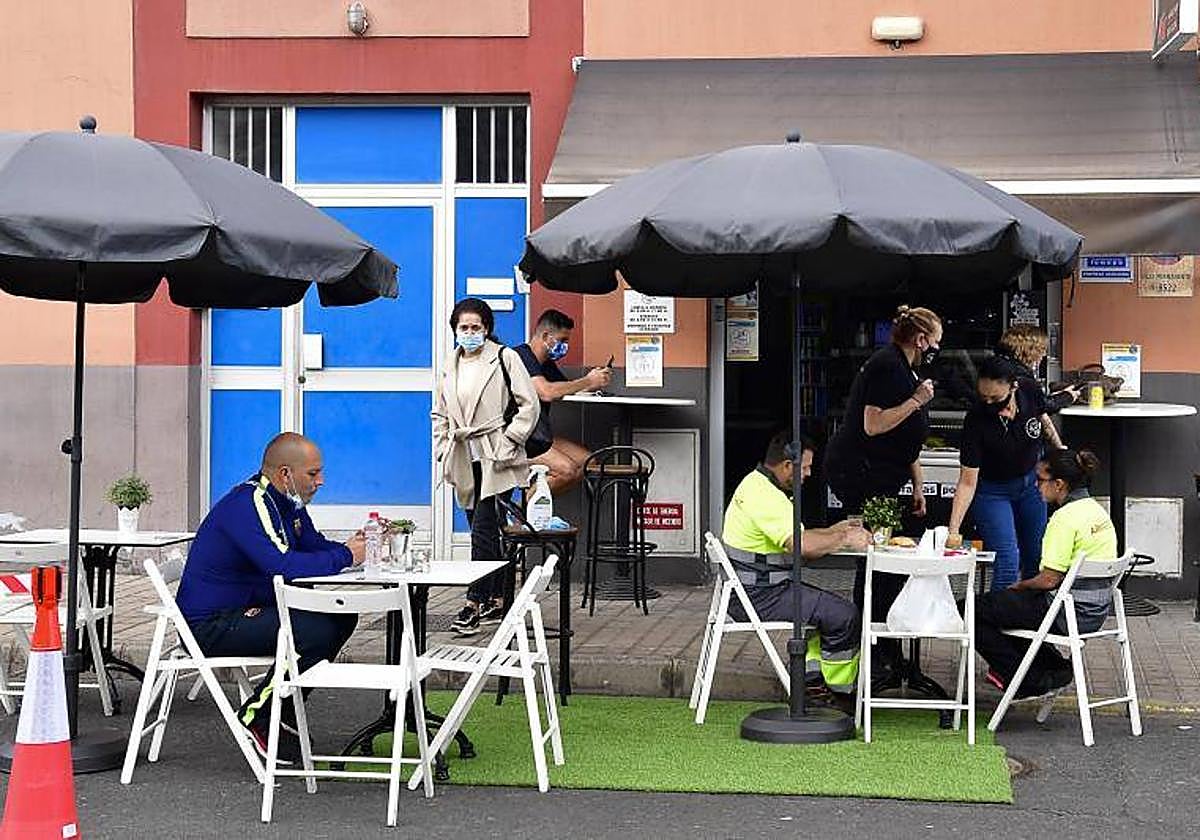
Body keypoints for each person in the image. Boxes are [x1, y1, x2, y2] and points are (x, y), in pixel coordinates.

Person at [176, 432, 365, 762]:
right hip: (211, 624)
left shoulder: (288, 502)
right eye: (313, 473)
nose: (321, 481)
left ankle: (283, 712)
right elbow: (281, 565)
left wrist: (355, 546)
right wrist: (346, 556)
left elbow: (313, 546)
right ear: (285, 474)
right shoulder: (249, 504)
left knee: (341, 617)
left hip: (247, 610)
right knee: (315, 630)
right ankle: (260, 716)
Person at [823, 305, 940, 679]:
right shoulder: (888, 366)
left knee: (888, 553)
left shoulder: (904, 368)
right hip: (863, 474)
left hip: (885, 475)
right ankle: (873, 644)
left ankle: (884, 641)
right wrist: (916, 401)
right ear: (921, 339)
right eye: (935, 341)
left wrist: (917, 483)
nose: (936, 349)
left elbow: (906, 439)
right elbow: (873, 425)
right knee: (877, 555)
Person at [722, 432, 871, 706]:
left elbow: (800, 537)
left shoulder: (757, 485)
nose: (809, 474)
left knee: (825, 611)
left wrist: (834, 531)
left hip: (756, 591)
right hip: (759, 597)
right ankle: (838, 694)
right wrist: (843, 539)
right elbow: (803, 547)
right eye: (805, 467)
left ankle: (810, 683)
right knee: (844, 615)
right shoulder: (766, 497)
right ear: (787, 465)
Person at [434, 297, 540, 636]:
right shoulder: (450, 365)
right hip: (464, 455)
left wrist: (510, 441)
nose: (469, 333)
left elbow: (529, 404)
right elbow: (440, 412)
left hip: (497, 456)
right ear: (455, 330)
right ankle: (499, 596)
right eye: (463, 327)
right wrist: (442, 447)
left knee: (482, 528)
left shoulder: (505, 357)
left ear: (487, 328)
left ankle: (473, 604)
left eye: (475, 327)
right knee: (485, 530)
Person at [975, 449, 1118, 698]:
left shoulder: (1063, 518)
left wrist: (1019, 586)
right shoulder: (1098, 512)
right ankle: (1054, 668)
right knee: (1007, 610)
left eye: (1040, 480)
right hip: (1095, 612)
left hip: (1065, 612)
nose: (1036, 486)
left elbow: (1049, 579)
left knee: (970, 610)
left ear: (1059, 484)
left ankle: (1028, 680)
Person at [946, 356, 1052, 590]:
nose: (989, 402)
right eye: (983, 396)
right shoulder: (976, 419)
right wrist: (953, 530)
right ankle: (998, 612)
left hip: (1030, 485)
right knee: (1007, 562)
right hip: (992, 492)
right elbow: (967, 482)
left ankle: (1032, 610)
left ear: (1013, 386)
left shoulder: (1029, 390)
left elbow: (1043, 417)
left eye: (995, 398)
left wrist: (1059, 447)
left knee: (1036, 556)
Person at [514, 309, 612, 493]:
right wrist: (588, 380)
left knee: (587, 462)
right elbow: (547, 392)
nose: (565, 346)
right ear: (545, 336)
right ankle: (527, 505)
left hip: (538, 437)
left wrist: (596, 380)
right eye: (562, 340)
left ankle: (536, 502)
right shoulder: (520, 357)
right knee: (566, 471)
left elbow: (568, 388)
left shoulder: (546, 363)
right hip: (516, 439)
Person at [996, 325, 1077, 444]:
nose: (1043, 355)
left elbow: (1033, 400)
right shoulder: (1021, 376)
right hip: (1017, 442)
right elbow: (1043, 405)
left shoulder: (999, 368)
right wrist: (1068, 396)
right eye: (1041, 349)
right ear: (1029, 350)